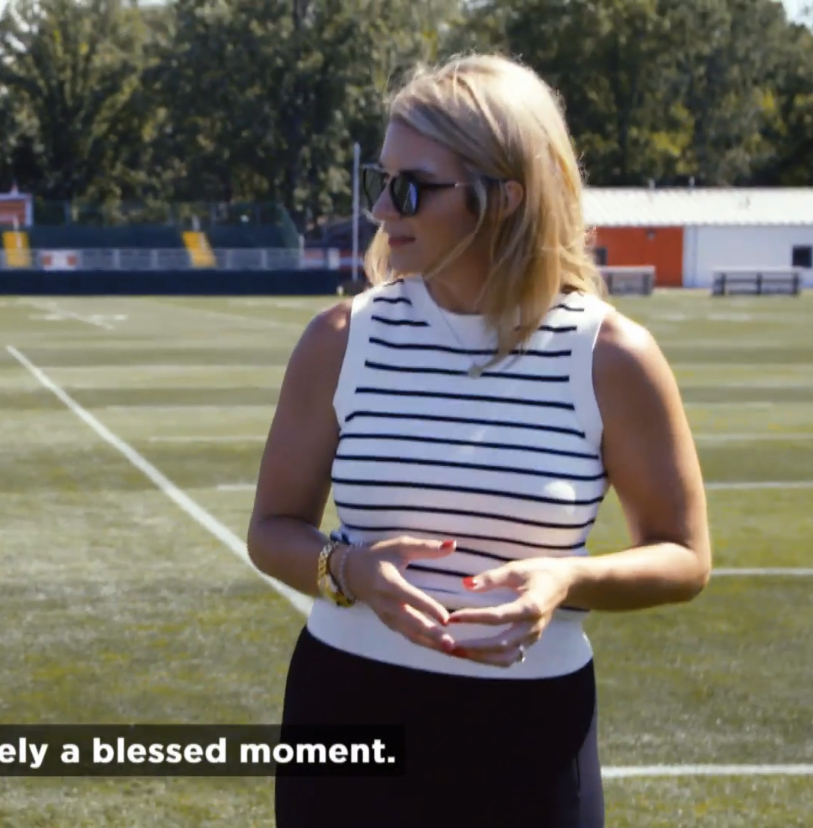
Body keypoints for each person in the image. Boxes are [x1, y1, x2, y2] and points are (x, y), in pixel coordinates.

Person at [246, 52, 711, 828]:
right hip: (345, 708)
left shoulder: (610, 355)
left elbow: (684, 556)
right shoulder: (340, 338)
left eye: (410, 187)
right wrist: (348, 569)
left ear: (504, 198)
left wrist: (567, 579)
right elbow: (270, 530)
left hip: (531, 735)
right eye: (381, 181)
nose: (381, 209)